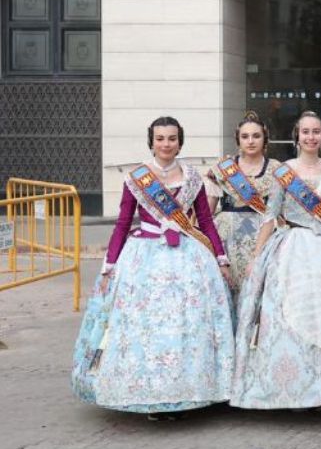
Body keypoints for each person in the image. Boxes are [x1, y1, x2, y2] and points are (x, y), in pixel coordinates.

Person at [72, 117, 234, 415]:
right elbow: (122, 223)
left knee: (185, 325)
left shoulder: (193, 178)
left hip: (188, 258)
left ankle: (188, 391)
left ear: (180, 142)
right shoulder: (137, 178)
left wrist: (221, 259)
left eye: (172, 138)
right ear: (152, 142)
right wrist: (110, 265)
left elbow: (206, 221)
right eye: (160, 138)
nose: (166, 144)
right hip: (143, 259)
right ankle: (147, 393)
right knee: (147, 328)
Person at [230, 111, 321, 409]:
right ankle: (301, 385)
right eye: (306, 132)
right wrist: (256, 256)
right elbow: (271, 217)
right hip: (292, 246)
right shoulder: (284, 172)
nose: (311, 137)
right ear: (297, 137)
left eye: (316, 132)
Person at [205, 111, 281, 296]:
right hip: (227, 238)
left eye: (256, 136)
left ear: (265, 139)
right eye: (245, 136)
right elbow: (206, 214)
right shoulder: (223, 169)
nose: (251, 141)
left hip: (264, 236)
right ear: (238, 140)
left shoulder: (277, 169)